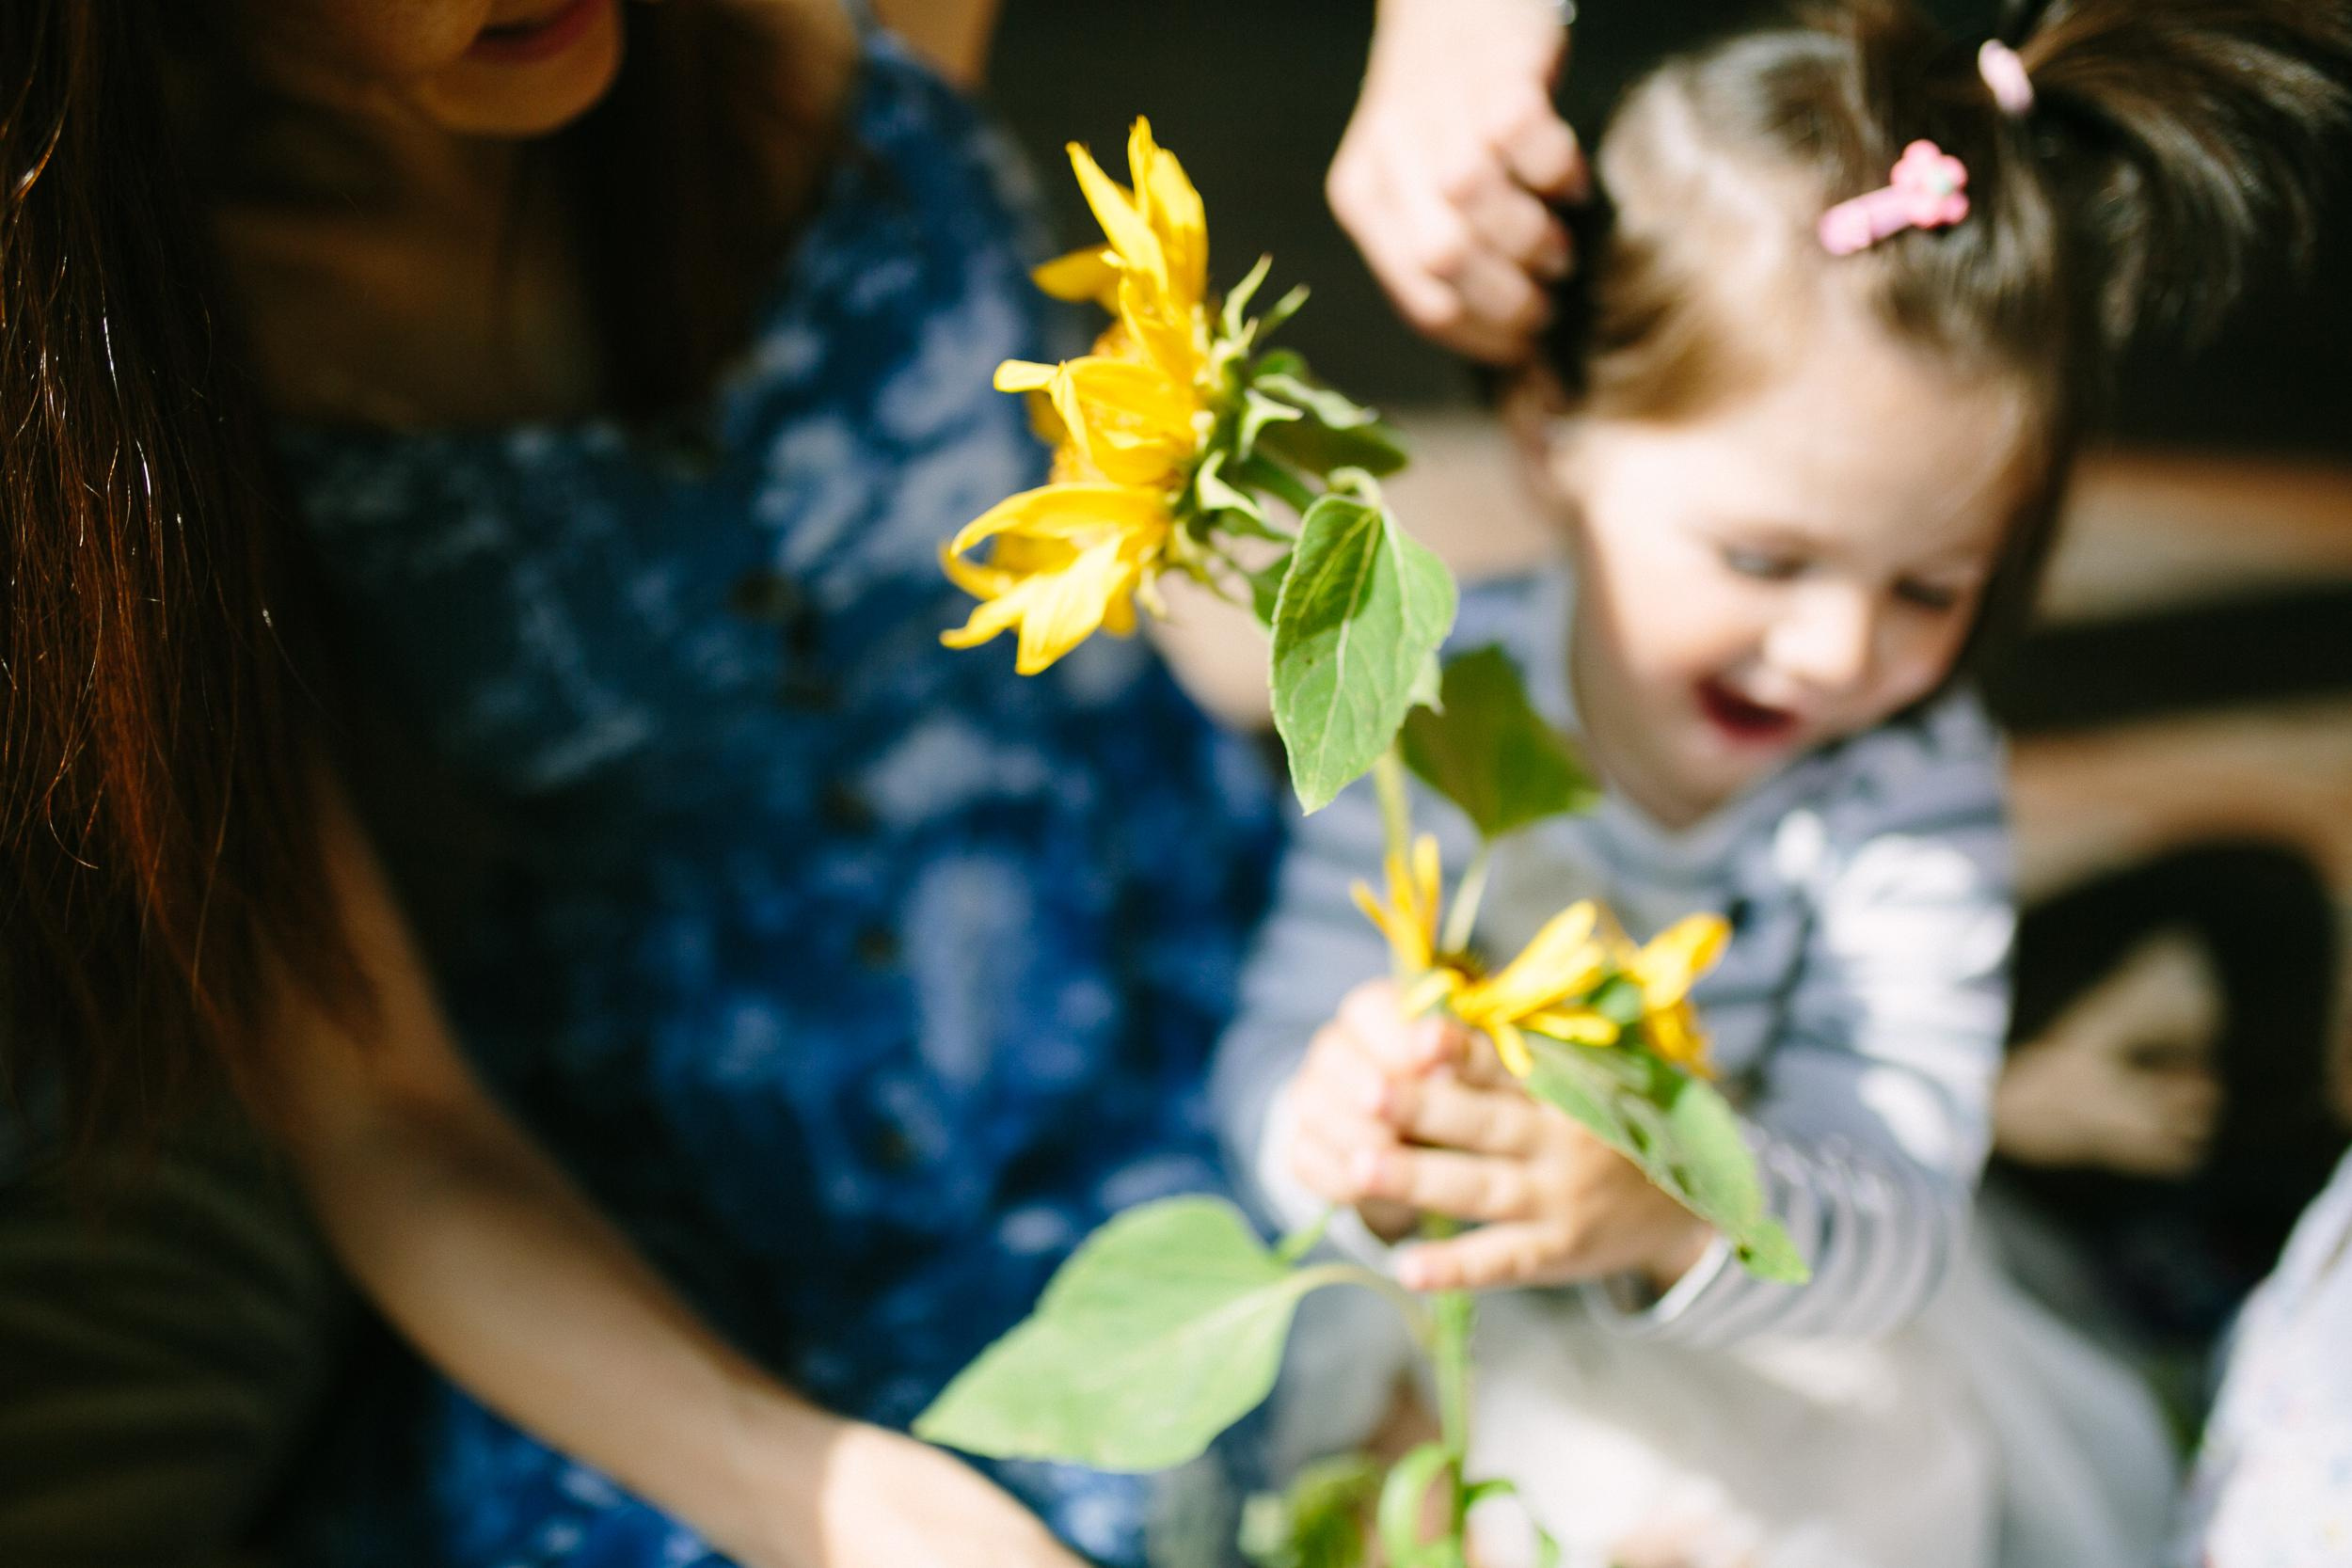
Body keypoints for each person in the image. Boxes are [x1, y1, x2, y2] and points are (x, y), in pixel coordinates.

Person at [0, 3, 1297, 1565]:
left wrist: (1470, 49)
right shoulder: (145, 373)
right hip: (697, 1267)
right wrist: (833, 1504)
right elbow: (383, 1116)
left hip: (1211, 1033)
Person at [1215, 3, 2352, 1565]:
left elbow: (1894, 1195)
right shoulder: (1417, 695)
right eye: (1766, 558)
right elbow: (1276, 1043)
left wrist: (1675, 1210)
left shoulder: (1903, 783)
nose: (1832, 651)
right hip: (1454, 1313)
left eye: (1932, 588)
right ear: (1559, 429)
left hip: (1780, 1339)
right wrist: (1334, 1134)